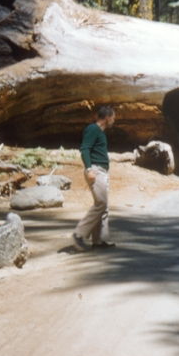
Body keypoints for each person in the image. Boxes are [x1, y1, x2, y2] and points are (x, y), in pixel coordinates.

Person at [72, 106, 117, 251]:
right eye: (113, 118)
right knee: (101, 204)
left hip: (102, 171)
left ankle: (99, 241)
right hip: (95, 170)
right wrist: (89, 169)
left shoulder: (101, 133)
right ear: (107, 118)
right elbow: (85, 149)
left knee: (104, 206)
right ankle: (78, 234)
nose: (114, 121)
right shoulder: (93, 129)